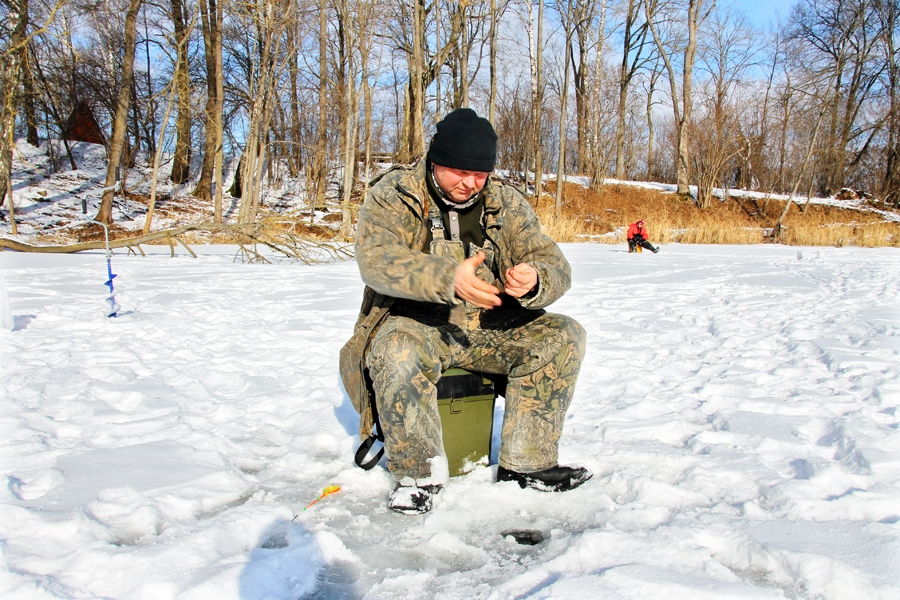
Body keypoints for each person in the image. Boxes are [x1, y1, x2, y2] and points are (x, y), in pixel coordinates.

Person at [340, 108, 592, 514]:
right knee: (395, 351)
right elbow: (376, 260)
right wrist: (446, 277)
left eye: (479, 174)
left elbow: (553, 263)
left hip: (487, 325)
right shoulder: (395, 194)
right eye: (459, 171)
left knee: (564, 335)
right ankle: (418, 476)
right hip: (415, 323)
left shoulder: (504, 201)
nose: (469, 183)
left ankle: (527, 464)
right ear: (435, 160)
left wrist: (535, 278)